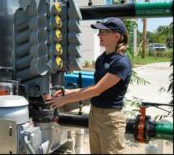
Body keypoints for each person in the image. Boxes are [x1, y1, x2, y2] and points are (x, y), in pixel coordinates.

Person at [45, 17, 132, 154]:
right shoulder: (101, 59)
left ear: (116, 36)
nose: (99, 35)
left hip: (110, 118)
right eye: (99, 32)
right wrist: (66, 92)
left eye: (104, 32)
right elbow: (95, 87)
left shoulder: (121, 63)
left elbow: (97, 90)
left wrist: (64, 100)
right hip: (95, 114)